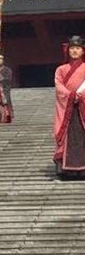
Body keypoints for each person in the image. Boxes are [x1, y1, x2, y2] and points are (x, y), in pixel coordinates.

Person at [54, 35, 85, 179]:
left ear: (82, 51)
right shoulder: (61, 69)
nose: (74, 51)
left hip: (82, 105)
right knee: (67, 136)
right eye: (72, 48)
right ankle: (66, 170)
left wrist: (80, 96)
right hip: (67, 106)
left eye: (78, 48)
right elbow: (59, 86)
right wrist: (70, 95)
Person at [0, 54, 13, 124]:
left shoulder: (7, 70)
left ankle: (7, 117)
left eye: (0, 59)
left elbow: (8, 80)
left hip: (3, 89)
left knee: (5, 103)